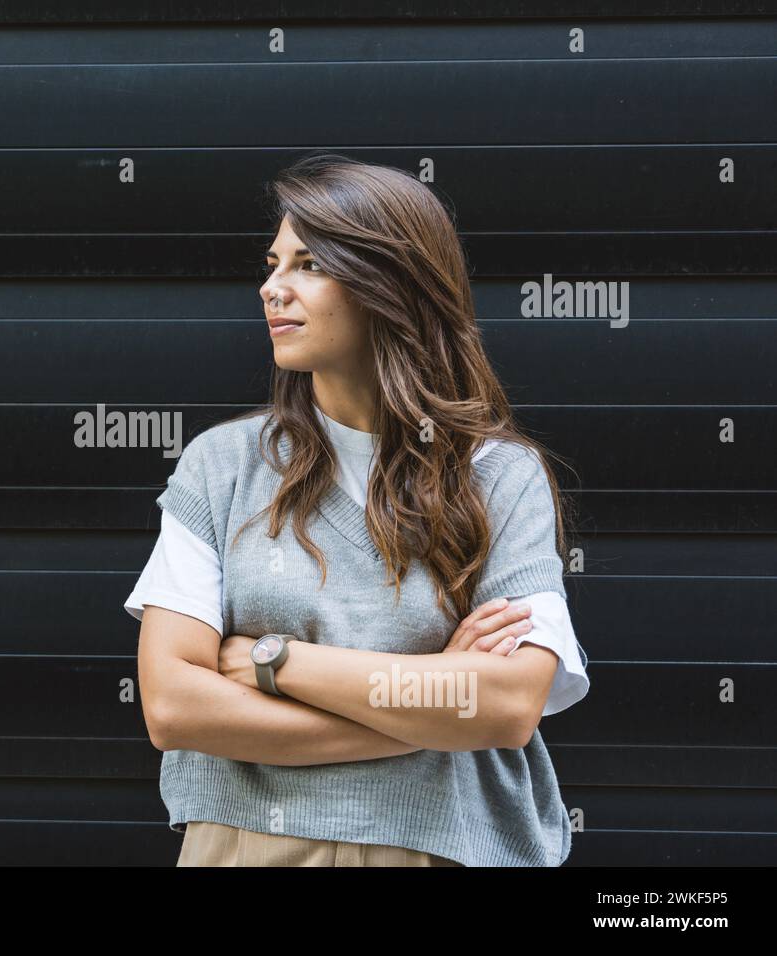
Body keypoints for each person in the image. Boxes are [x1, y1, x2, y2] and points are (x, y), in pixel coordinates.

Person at [125, 154, 590, 867]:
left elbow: (504, 706)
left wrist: (278, 661)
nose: (272, 289)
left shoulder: (498, 477)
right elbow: (174, 707)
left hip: (442, 848)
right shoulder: (221, 466)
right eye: (273, 263)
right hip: (248, 847)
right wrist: (424, 715)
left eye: (309, 265)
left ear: (390, 285)